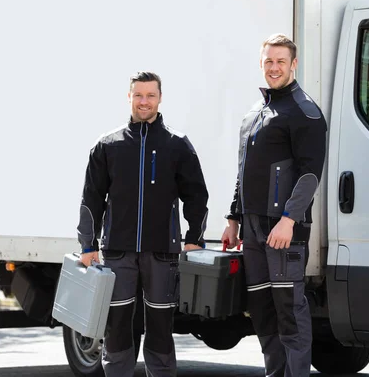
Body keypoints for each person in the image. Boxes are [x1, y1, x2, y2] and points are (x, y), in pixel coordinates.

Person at [77, 71, 208, 377]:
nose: (144, 101)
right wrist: (87, 244)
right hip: (117, 251)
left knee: (160, 326)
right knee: (118, 324)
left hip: (162, 251)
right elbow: (91, 199)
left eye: (150, 95)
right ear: (129, 97)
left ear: (160, 98)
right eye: (138, 95)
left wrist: (194, 237)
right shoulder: (107, 145)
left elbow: (197, 195)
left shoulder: (177, 144)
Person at [221, 34, 327, 377]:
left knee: (289, 311)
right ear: (262, 64)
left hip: (282, 230)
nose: (274, 67)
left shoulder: (304, 112)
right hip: (251, 229)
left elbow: (310, 175)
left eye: (281, 61)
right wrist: (233, 218)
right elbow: (243, 170)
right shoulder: (256, 112)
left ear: (294, 64)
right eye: (269, 61)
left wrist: (288, 220)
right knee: (263, 310)